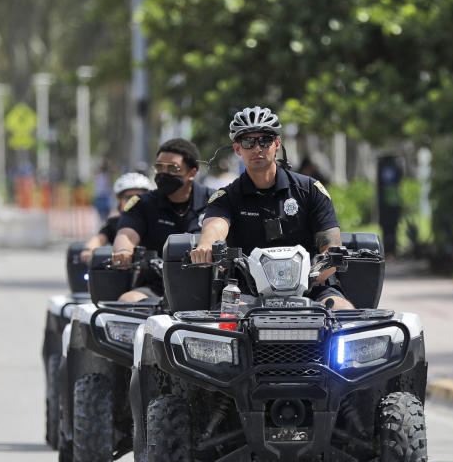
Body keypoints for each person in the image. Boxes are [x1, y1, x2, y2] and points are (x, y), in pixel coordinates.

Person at [191, 106, 355, 310]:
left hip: (313, 287)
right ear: (237, 149)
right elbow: (215, 226)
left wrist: (313, 274)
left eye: (265, 140)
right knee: (228, 317)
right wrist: (206, 245)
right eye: (248, 142)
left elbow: (331, 247)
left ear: (277, 144)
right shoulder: (226, 197)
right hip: (246, 291)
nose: (257, 148)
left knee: (342, 310)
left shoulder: (310, 190)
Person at [111, 138, 214, 301]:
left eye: (173, 168)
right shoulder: (142, 203)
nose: (164, 173)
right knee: (127, 301)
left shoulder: (214, 201)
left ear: (192, 173)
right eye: (159, 167)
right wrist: (123, 251)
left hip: (209, 286)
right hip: (158, 287)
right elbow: (127, 234)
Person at [80, 172, 155, 263]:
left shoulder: (158, 221)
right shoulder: (113, 223)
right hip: (123, 272)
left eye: (141, 197)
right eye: (130, 198)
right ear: (119, 200)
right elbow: (99, 239)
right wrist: (89, 250)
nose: (136, 202)